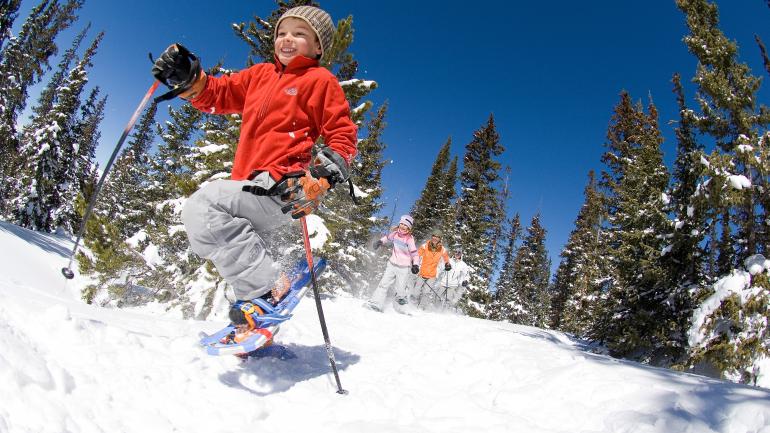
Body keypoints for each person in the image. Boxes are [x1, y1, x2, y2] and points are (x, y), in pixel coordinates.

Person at [151, 6, 357, 327]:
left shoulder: (319, 80)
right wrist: (188, 79)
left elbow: (342, 134)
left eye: (299, 34)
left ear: (318, 47)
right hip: (247, 187)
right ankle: (255, 326)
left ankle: (266, 291)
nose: (287, 39)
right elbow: (219, 94)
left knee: (203, 207)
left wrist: (321, 176)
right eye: (282, 33)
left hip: (280, 188)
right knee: (235, 253)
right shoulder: (260, 75)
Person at [365, 215, 419, 312]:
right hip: (392, 264)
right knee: (383, 284)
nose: (402, 226)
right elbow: (386, 238)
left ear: (409, 227)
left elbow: (415, 254)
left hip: (403, 268)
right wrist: (379, 242)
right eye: (401, 224)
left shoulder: (409, 239)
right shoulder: (395, 234)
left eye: (405, 225)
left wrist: (415, 264)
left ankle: (402, 308)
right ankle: (376, 304)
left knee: (400, 290)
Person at [413, 229, 450, 308]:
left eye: (437, 237)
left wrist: (447, 264)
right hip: (422, 272)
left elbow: (446, 258)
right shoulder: (425, 246)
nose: (435, 238)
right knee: (416, 290)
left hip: (432, 275)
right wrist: (414, 264)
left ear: (440, 239)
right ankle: (413, 304)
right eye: (434, 236)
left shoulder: (442, 249)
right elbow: (417, 255)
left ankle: (421, 307)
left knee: (426, 292)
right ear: (432, 236)